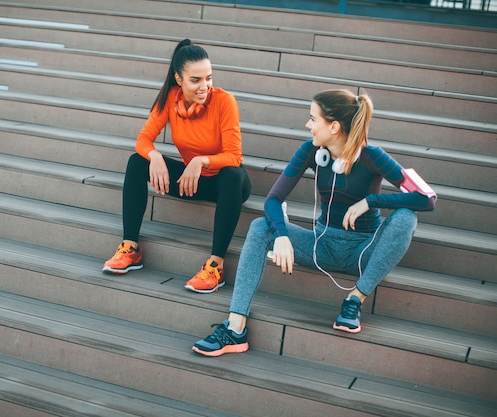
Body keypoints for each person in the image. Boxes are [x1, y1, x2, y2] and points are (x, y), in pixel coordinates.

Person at [192, 89, 437, 356]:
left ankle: (355, 298)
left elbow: (426, 199)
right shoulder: (311, 152)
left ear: (333, 126)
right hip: (321, 245)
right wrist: (282, 235)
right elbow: (273, 199)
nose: (308, 125)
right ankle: (235, 329)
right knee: (260, 227)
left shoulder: (372, 156)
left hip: (364, 251)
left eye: (313, 119)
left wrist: (372, 201)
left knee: (405, 218)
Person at [102, 39, 251, 294]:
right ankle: (130, 249)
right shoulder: (170, 99)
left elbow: (234, 156)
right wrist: (156, 157)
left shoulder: (224, 102)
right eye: (196, 80)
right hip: (190, 182)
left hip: (224, 184)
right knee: (137, 162)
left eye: (208, 78)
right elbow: (143, 140)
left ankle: (215, 266)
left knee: (233, 175)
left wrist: (200, 160)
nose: (204, 86)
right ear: (179, 80)